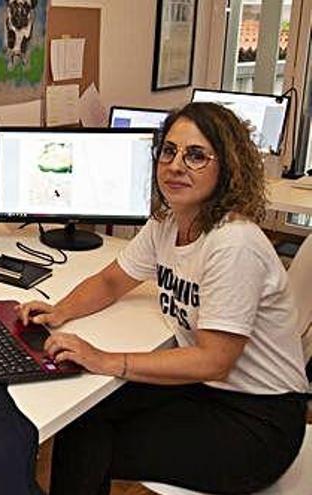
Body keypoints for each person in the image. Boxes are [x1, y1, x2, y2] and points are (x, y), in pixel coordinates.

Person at [17, 102, 309, 494]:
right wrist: (59, 311)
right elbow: (111, 281)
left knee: (88, 442)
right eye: (168, 151)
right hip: (206, 390)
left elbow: (214, 360)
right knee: (84, 418)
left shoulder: (233, 243)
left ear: (228, 167)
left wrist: (104, 359)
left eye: (196, 155)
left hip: (258, 419)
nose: (175, 165)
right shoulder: (169, 221)